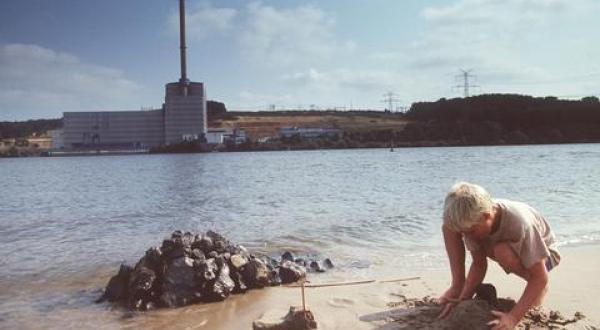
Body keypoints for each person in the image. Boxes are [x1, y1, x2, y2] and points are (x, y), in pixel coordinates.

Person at [438, 182, 560, 330]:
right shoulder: (475, 220)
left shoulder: (520, 224)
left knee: (503, 251)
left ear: (487, 216)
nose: (465, 237)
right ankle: (457, 286)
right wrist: (463, 298)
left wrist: (513, 317)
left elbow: (541, 277)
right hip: (495, 241)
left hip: (542, 253)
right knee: (449, 227)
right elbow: (479, 264)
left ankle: (538, 291)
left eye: (470, 232)